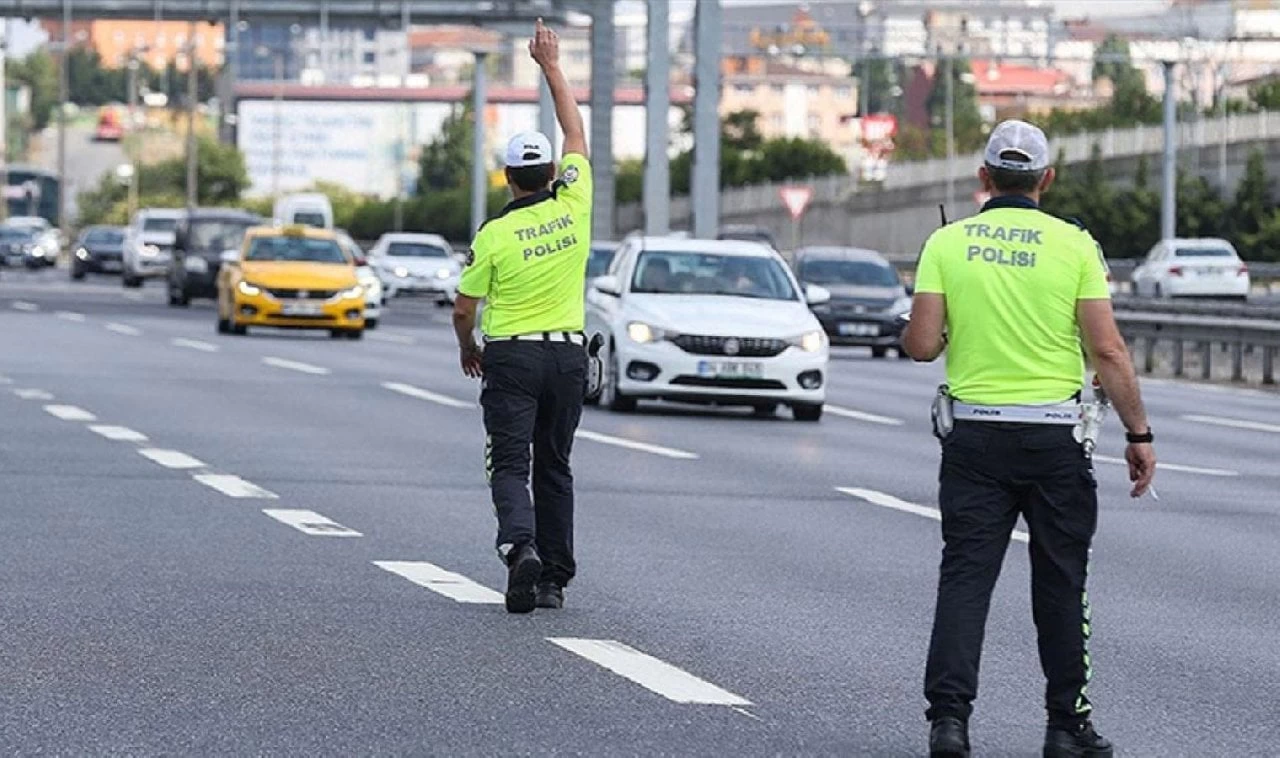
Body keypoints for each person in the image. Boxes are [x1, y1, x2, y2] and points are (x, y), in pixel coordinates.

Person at [901, 119, 1157, 758]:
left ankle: (950, 723)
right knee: (1061, 581)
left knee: (965, 579)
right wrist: (1139, 432)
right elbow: (1107, 348)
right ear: (1046, 178)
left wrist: (956, 327)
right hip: (1053, 441)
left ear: (983, 177)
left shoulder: (947, 242)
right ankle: (1067, 726)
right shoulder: (1075, 246)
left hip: (975, 440)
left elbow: (920, 346)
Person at [452, 19, 593, 615]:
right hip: (567, 356)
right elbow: (576, 131)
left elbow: (464, 308)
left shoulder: (496, 234)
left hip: (511, 356)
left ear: (509, 179)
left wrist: (468, 347)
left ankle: (521, 547)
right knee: (554, 465)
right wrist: (551, 66)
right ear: (551, 174)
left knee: (511, 462)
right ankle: (554, 579)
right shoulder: (577, 203)